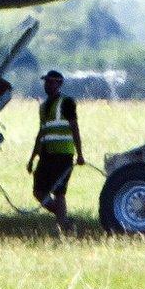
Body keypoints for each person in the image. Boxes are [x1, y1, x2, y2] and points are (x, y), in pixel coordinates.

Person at [26, 70, 85, 227]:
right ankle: (63, 218)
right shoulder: (44, 107)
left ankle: (63, 223)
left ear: (59, 84)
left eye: (51, 82)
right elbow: (41, 133)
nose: (47, 85)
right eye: (46, 82)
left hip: (63, 154)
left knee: (59, 191)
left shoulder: (66, 103)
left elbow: (75, 128)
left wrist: (80, 154)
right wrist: (32, 158)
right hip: (46, 155)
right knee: (39, 192)